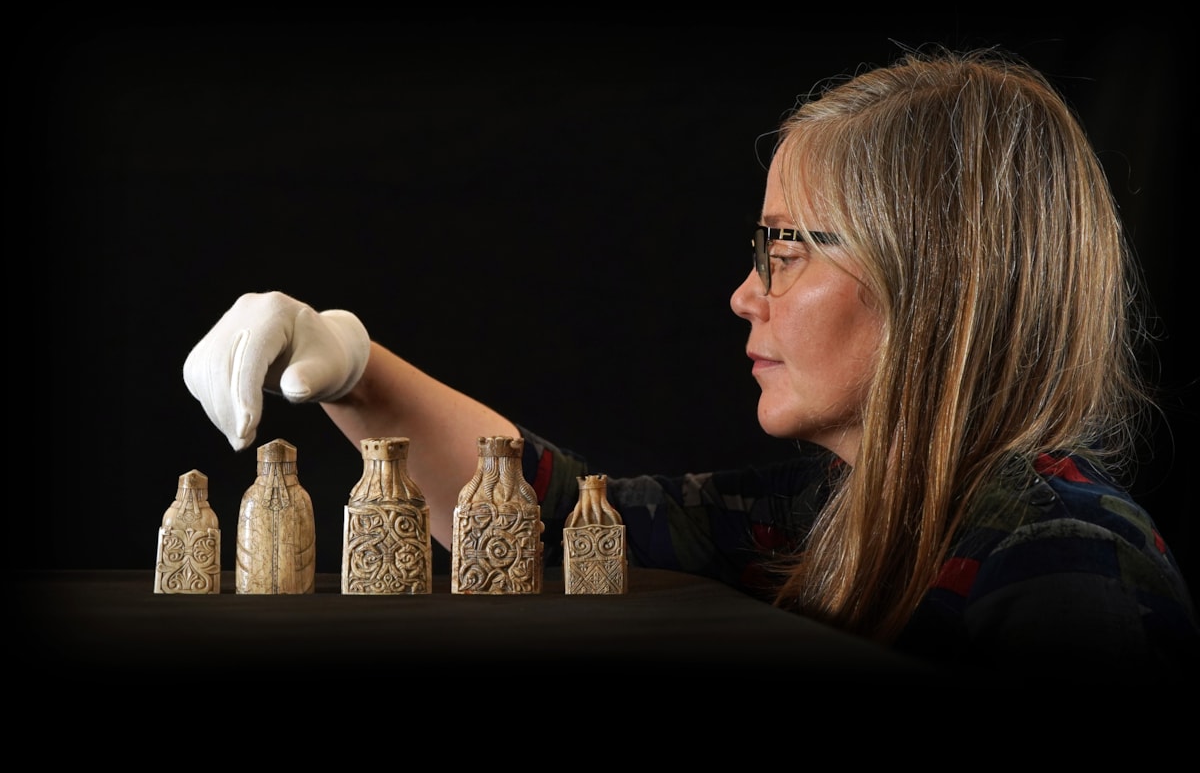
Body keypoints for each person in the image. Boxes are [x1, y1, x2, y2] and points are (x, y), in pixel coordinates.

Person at [183, 46, 1199, 682]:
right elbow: (551, 520)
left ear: (939, 279)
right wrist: (350, 359)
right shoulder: (827, 513)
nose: (745, 293)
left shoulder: (1069, 568)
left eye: (787, 248)